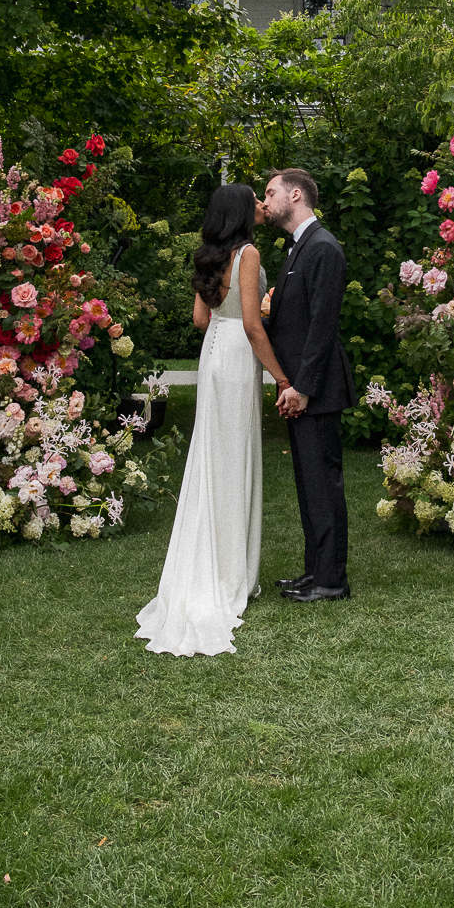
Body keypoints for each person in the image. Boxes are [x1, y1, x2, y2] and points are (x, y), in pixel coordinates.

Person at [135, 184, 290, 657]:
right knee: (234, 456)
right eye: (257, 201)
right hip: (239, 358)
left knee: (214, 457)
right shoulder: (247, 254)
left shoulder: (208, 256)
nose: (264, 206)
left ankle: (219, 561)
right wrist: (282, 378)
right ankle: (228, 574)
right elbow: (249, 324)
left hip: (212, 357)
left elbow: (202, 321)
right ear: (243, 212)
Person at [262, 168, 358, 602]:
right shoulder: (299, 248)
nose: (265, 202)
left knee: (323, 485)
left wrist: (301, 387)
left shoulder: (323, 248)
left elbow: (322, 325)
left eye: (270, 193)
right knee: (308, 484)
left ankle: (331, 580)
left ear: (295, 194)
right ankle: (314, 570)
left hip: (315, 390)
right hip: (300, 387)